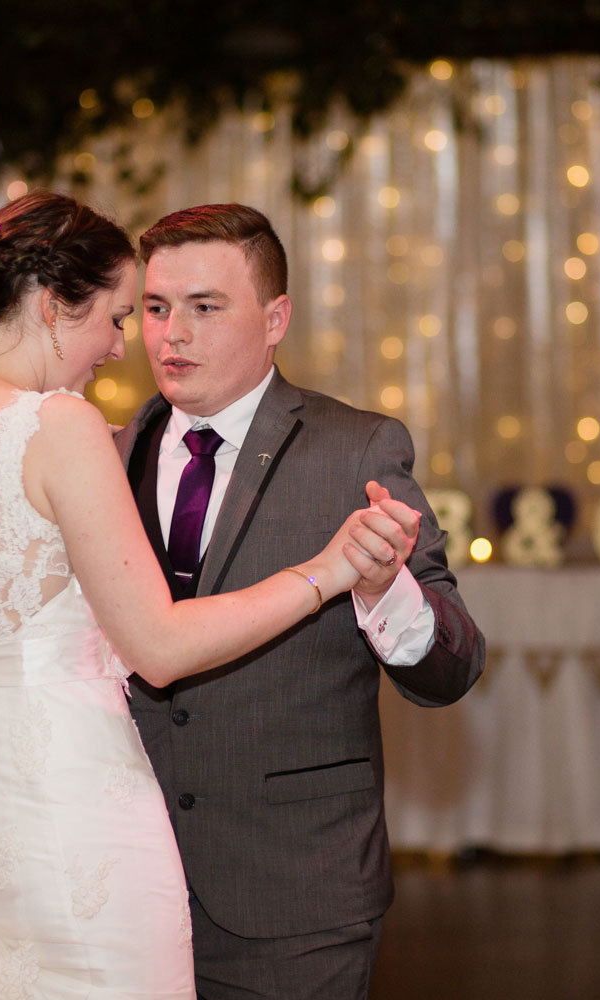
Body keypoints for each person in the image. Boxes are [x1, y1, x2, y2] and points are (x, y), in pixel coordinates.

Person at [0, 191, 419, 999]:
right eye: (122, 314)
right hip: (68, 809)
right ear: (52, 307)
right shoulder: (64, 427)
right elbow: (157, 644)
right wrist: (325, 572)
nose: (125, 347)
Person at [120, 204, 485, 999]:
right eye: (155, 307)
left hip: (293, 893)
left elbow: (453, 664)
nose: (169, 334)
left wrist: (388, 591)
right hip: (116, 887)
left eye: (204, 307)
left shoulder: (355, 447)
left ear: (275, 316)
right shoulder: (101, 455)